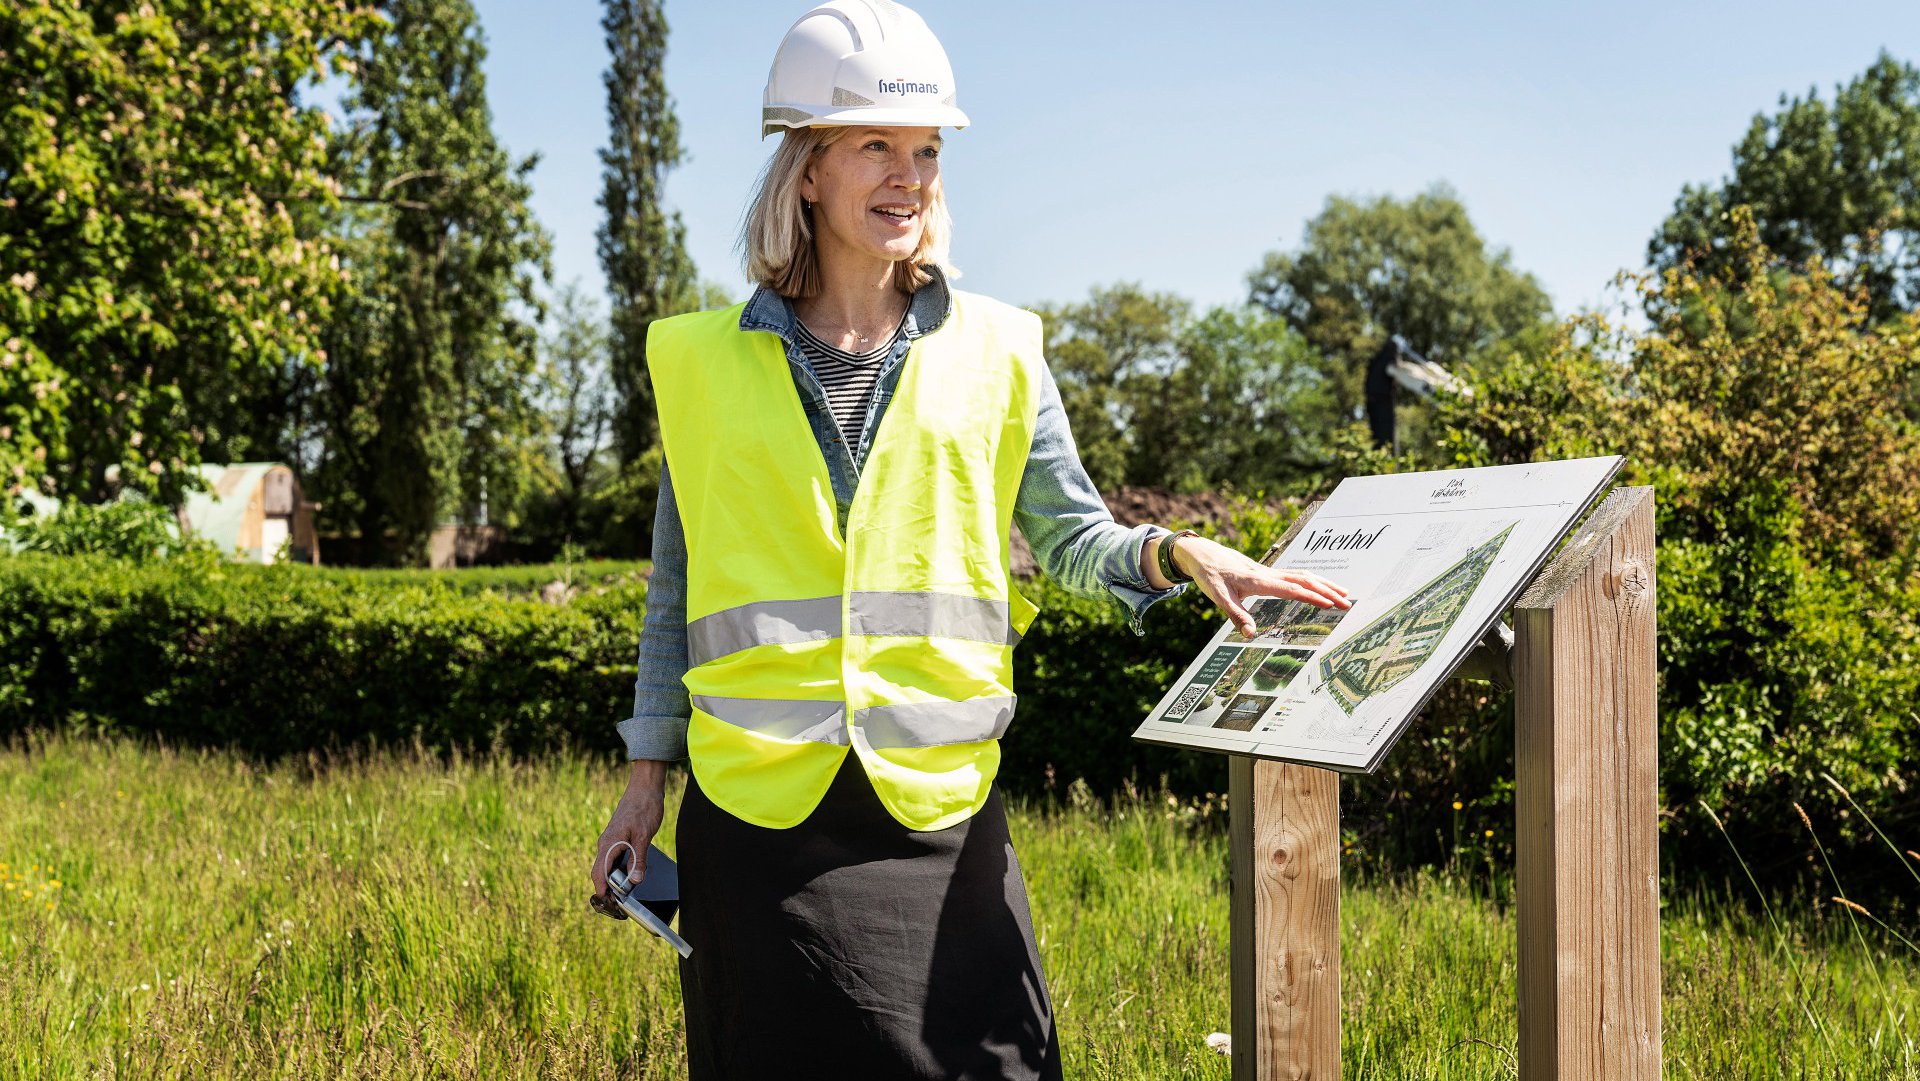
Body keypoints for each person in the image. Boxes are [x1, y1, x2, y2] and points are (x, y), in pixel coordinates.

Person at [588, 2, 1351, 1077]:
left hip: (937, 811)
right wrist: (642, 783)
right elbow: (676, 594)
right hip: (756, 828)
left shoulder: (1002, 350)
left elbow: (1073, 535)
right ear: (806, 168)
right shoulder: (699, 362)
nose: (910, 175)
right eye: (875, 146)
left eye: (928, 150)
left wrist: (1175, 553)